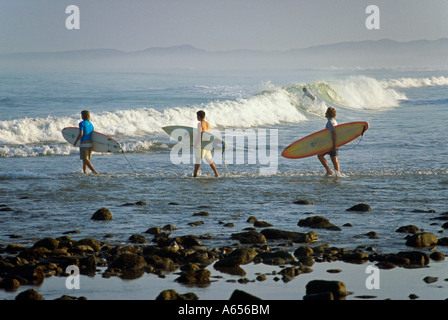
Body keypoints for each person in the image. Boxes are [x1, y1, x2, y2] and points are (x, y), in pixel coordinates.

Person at [193, 110, 219, 177]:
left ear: (199, 116)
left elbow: (200, 134)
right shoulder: (208, 124)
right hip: (207, 144)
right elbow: (208, 134)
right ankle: (216, 173)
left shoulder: (200, 124)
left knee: (197, 160)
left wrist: (196, 144)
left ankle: (195, 175)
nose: (196, 117)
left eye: (197, 116)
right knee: (208, 159)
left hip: (201, 144)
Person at [73, 110, 98, 174]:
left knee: (85, 159)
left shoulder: (81, 123)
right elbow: (93, 134)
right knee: (85, 159)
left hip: (84, 142)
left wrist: (76, 141)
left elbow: (81, 134)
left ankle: (94, 171)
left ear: (82, 116)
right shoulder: (91, 125)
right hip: (90, 143)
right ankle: (84, 171)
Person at [317, 107, 340, 176]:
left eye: (326, 112)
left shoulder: (330, 122)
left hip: (331, 144)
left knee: (320, 156)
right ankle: (337, 174)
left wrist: (333, 145)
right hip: (333, 143)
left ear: (328, 114)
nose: (325, 113)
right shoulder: (334, 121)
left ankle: (329, 171)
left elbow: (333, 133)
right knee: (334, 159)